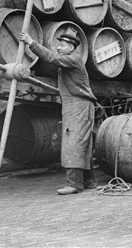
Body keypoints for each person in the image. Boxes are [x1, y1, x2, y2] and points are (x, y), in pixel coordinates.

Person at [19, 30, 97, 195]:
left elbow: (51, 58)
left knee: (73, 143)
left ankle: (74, 184)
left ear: (71, 47)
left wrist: (31, 43)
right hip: (76, 105)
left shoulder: (74, 59)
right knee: (82, 143)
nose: (58, 48)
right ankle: (89, 181)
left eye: (62, 45)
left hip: (78, 106)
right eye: (58, 45)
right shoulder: (70, 61)